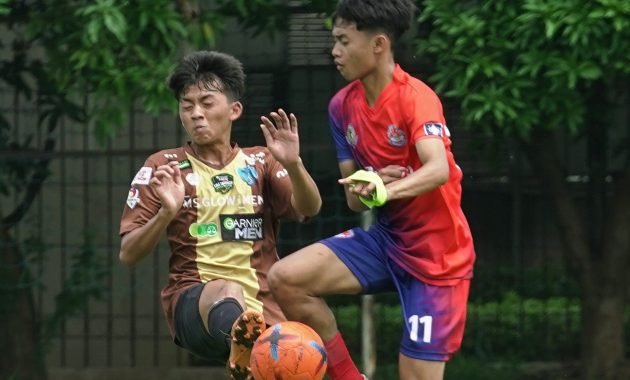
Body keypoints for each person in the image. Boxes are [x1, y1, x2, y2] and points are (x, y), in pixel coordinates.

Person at [267, 1, 476, 379]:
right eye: (335, 41)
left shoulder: (417, 97)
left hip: (438, 258)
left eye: (344, 41)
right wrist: (371, 183)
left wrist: (382, 187)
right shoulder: (341, 107)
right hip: (385, 242)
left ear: (378, 45)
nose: (335, 51)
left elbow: (438, 169)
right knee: (286, 278)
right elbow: (352, 196)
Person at [118, 50, 322, 380]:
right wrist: (165, 213)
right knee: (227, 291)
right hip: (194, 305)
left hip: (264, 308)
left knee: (300, 364)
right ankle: (246, 345)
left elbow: (309, 209)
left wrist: (294, 164)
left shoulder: (261, 162)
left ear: (234, 110)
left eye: (207, 103)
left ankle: (246, 352)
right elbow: (128, 254)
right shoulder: (163, 166)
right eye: (187, 106)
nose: (196, 113)